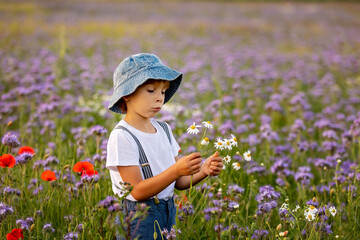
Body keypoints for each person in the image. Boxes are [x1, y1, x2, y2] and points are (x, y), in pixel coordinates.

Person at [106, 53, 223, 240]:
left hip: (169, 212)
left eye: (162, 91)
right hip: (139, 218)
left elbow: (179, 183)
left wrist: (203, 171)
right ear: (127, 94)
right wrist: (176, 170)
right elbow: (136, 191)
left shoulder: (164, 129)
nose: (160, 98)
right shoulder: (122, 136)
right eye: (151, 90)